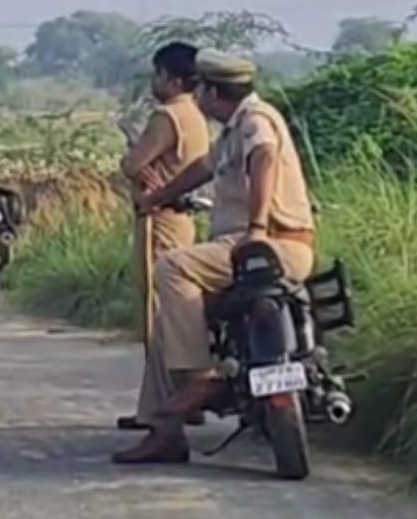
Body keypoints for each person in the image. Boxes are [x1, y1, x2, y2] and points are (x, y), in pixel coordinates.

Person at [112, 49, 316, 465]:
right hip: (268, 248)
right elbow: (202, 169)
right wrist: (157, 197)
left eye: (199, 88)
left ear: (209, 90)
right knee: (177, 316)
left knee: (172, 268)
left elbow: (265, 160)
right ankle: (168, 428)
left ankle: (200, 376)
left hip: (267, 246)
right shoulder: (234, 130)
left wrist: (257, 228)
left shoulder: (255, 123)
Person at [113, 42, 210, 439]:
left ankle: (161, 410)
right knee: (177, 315)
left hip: (160, 220)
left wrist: (138, 175)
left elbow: (132, 163)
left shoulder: (166, 115)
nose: (154, 83)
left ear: (170, 79)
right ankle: (182, 401)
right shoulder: (198, 117)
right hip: (183, 219)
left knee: (158, 316)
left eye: (157, 75)